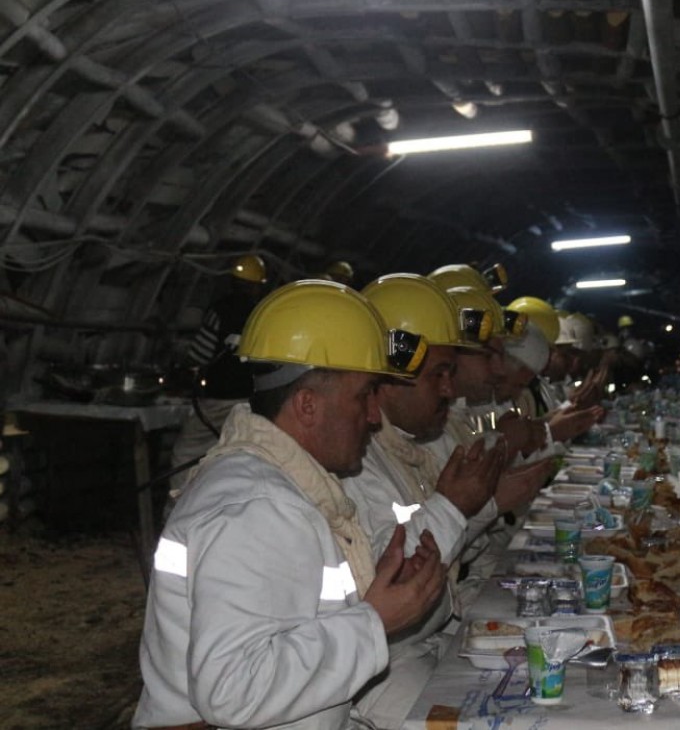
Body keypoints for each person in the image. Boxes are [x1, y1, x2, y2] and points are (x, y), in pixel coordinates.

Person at [135, 280, 447, 730]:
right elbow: (233, 690)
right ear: (307, 405)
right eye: (363, 396)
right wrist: (374, 621)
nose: (374, 417)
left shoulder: (280, 487)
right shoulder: (258, 508)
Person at [349, 274, 548, 727]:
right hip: (379, 671)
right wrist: (472, 506)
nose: (451, 388)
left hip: (418, 643)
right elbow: (395, 584)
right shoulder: (351, 459)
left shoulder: (413, 436)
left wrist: (479, 503)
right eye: (440, 372)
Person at [167, 253, 268, 503]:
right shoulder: (264, 314)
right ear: (257, 285)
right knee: (242, 456)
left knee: (186, 453)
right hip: (253, 402)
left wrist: (183, 367)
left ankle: (178, 509)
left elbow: (200, 354)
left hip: (219, 399)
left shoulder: (220, 310)